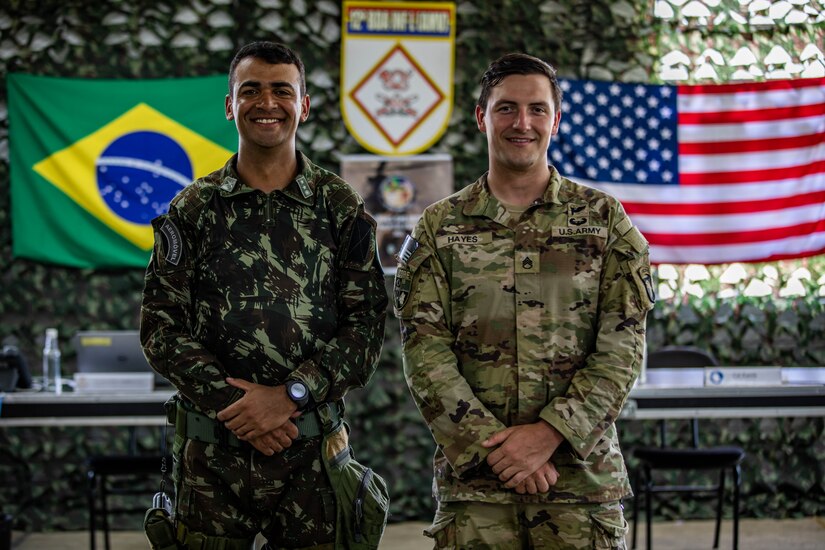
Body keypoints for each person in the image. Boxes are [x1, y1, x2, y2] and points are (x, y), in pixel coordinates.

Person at [395, 52, 655, 549]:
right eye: (506, 108)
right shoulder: (439, 227)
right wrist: (494, 450)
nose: (522, 123)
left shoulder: (604, 221)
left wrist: (548, 435)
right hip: (477, 494)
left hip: (580, 487)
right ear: (481, 117)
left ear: (556, 120)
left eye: (537, 109)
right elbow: (424, 351)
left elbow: (621, 349)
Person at [140, 41, 388, 550]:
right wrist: (240, 408)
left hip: (312, 456)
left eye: (282, 90)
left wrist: (288, 397)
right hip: (213, 459)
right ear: (230, 105)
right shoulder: (194, 208)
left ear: (304, 104)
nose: (267, 103)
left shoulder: (338, 205)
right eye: (250, 90)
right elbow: (160, 327)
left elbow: (366, 329)